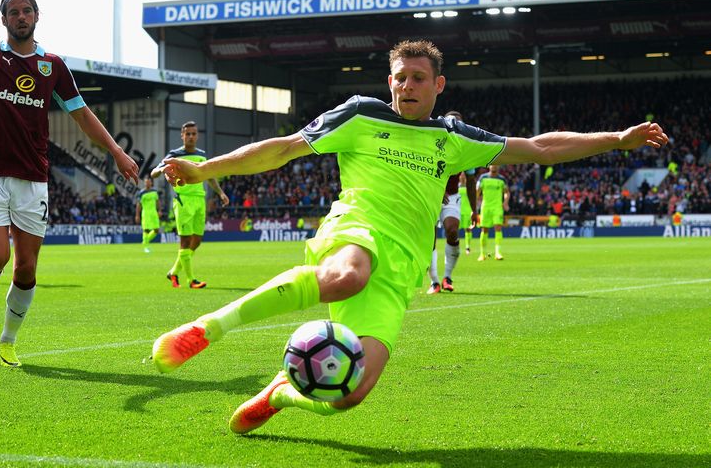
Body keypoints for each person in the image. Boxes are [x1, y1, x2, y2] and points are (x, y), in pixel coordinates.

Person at [150, 39, 667, 434]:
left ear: (438, 85)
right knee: (348, 274)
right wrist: (203, 169)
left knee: (350, 394)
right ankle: (207, 327)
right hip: (355, 230)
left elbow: (538, 147)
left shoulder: (453, 138)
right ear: (389, 81)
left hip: (402, 267)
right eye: (400, 78)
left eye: (419, 78)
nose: (408, 87)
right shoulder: (359, 114)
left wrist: (617, 140)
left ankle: (282, 392)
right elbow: (282, 148)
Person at [0, 0, 139, 367]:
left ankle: (8, 341)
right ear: (3, 20)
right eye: (13, 12)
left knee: (27, 268)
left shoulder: (53, 66)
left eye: (26, 10)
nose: (20, 17)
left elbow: (82, 114)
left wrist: (115, 151)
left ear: (36, 16)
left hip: (34, 179)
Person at [151, 121, 229, 289]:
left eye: (194, 134)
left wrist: (220, 192)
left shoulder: (202, 155)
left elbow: (209, 175)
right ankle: (191, 280)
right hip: (183, 200)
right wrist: (162, 169)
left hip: (199, 200)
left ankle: (173, 272)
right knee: (185, 241)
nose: (191, 137)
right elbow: (154, 172)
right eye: (188, 134)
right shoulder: (174, 154)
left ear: (197, 135)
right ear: (182, 135)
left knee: (197, 240)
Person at [427, 110, 477, 294]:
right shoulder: (433, 143)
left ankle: (447, 277)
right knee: (428, 239)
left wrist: (474, 210)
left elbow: (471, 181)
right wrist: (437, 191)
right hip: (429, 195)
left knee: (452, 230)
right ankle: (434, 282)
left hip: (452, 196)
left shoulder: (465, 151)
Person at [476, 164, 510, 261]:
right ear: (489, 166)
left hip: (497, 207)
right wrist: (475, 204)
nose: (494, 166)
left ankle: (498, 253)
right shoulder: (483, 178)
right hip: (485, 207)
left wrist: (505, 202)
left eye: (496, 165)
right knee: (484, 230)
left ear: (498, 166)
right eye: (492, 164)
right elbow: (477, 191)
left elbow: (507, 192)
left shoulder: (502, 179)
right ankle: (482, 254)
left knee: (498, 227)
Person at [135, 177, 161, 253]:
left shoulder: (155, 192)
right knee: (146, 230)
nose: (147, 183)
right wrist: (137, 215)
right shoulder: (141, 193)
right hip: (145, 213)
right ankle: (146, 246)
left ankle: (145, 241)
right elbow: (138, 205)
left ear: (151, 183)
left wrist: (160, 210)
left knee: (156, 230)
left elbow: (158, 201)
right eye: (146, 182)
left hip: (153, 213)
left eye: (148, 182)